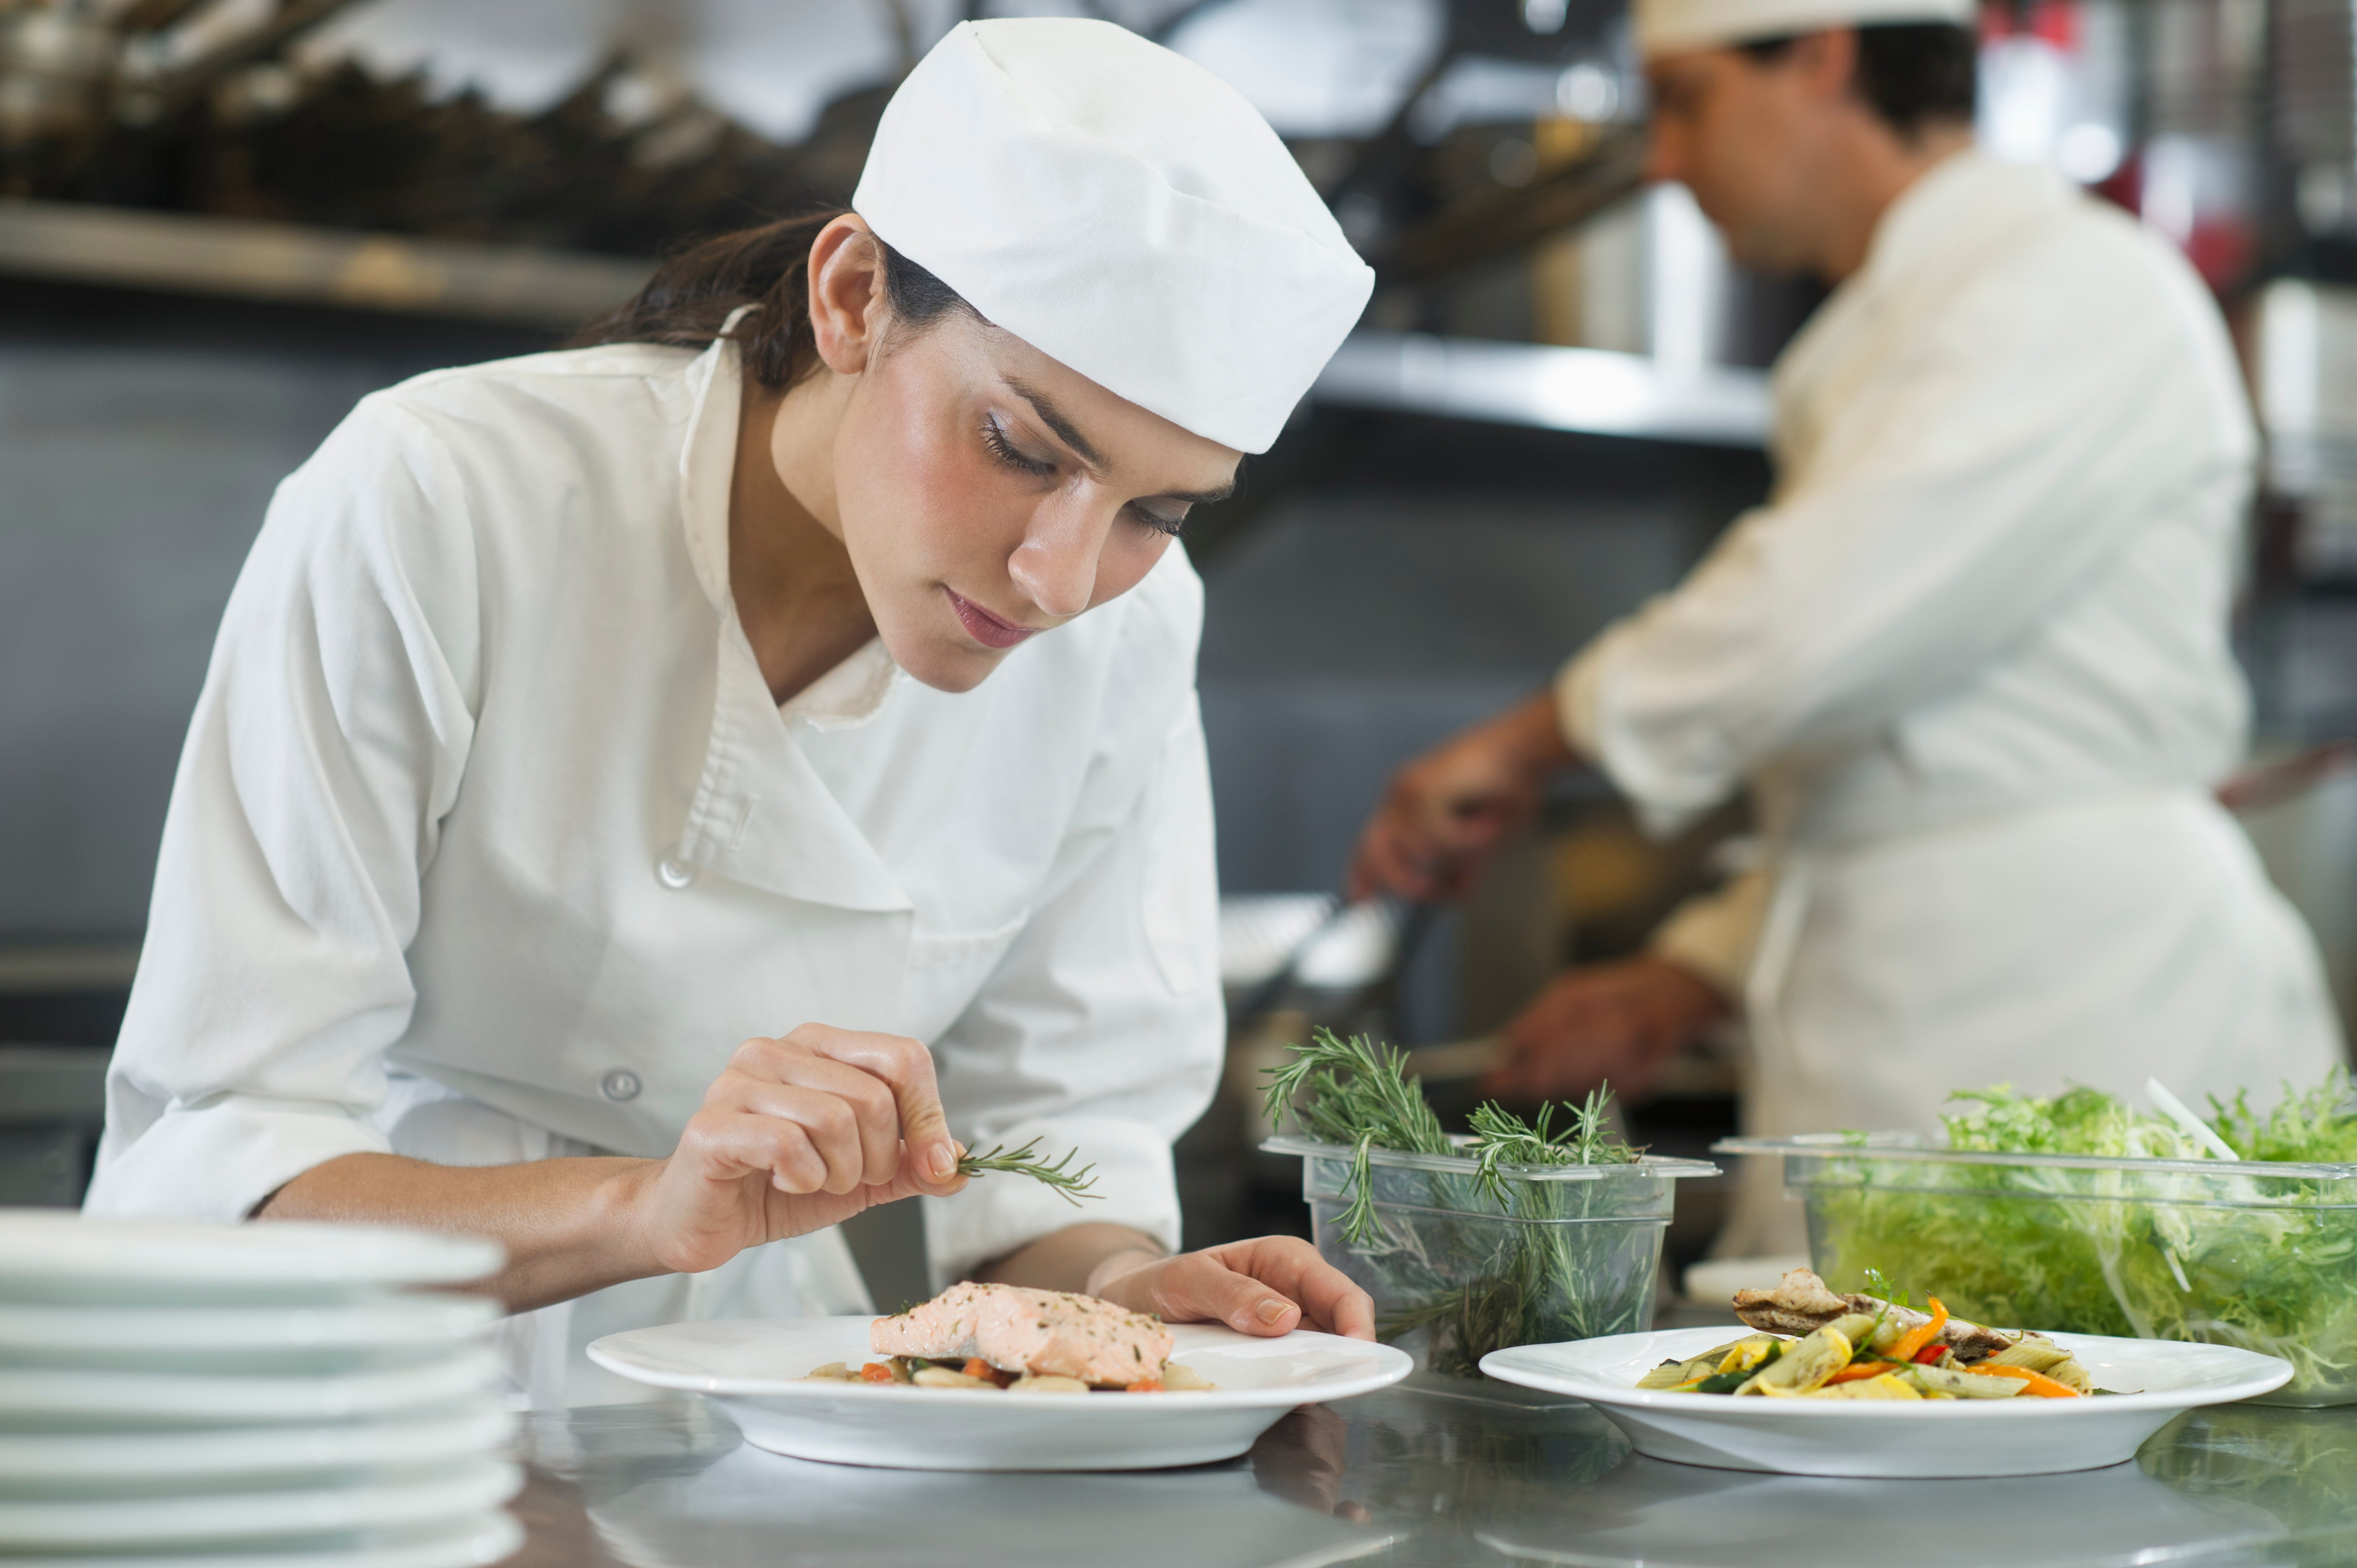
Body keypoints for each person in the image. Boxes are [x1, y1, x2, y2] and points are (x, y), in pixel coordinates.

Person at [86, 18, 1378, 1406]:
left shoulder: (1128, 630)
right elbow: (222, 1167)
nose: (1062, 577)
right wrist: (649, 1208)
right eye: (1019, 445)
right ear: (854, 295)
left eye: (1159, 511)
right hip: (337, 1405)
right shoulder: (443, 499)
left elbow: (1056, 1142)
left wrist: (1128, 1286)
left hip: (765, 1424)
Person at [1350, 0, 2346, 1253]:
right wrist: (1698, 968)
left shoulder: (2069, 283)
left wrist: (1531, 739)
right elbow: (1909, 757)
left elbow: (1812, 621)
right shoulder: (1913, 315)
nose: (1661, 160)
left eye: (1689, 102)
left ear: (1824, 56)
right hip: (1919, 1006)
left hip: (2076, 1008)